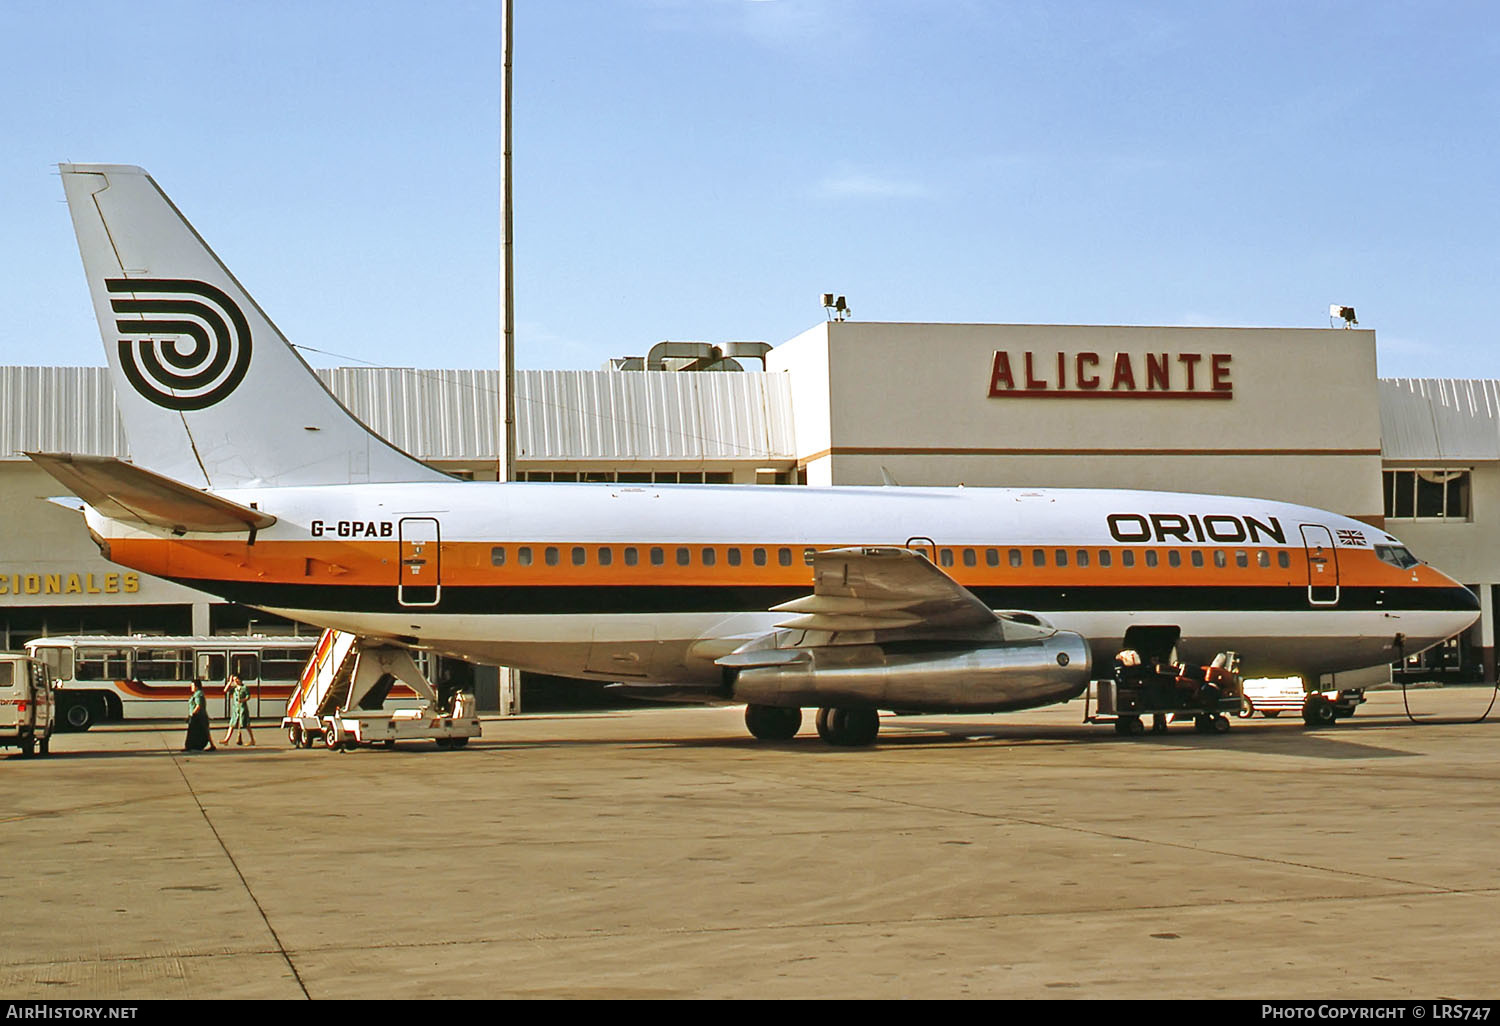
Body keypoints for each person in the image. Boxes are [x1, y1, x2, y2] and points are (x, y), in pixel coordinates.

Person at [221, 674, 256, 746]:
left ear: (240, 679)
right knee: (232, 724)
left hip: (242, 709)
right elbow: (225, 690)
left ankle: (252, 740)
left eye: (236, 679)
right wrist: (229, 682)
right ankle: (226, 739)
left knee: (246, 725)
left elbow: (248, 696)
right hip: (235, 709)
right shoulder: (234, 688)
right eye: (234, 680)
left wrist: (243, 700)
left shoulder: (244, 688)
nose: (235, 681)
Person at [184, 679, 216, 752]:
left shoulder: (198, 694)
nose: (191, 687)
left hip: (198, 716)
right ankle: (211, 745)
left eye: (192, 686)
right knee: (205, 731)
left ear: (196, 687)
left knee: (193, 731)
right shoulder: (197, 693)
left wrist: (191, 715)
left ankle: (189, 746)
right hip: (199, 716)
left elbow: (198, 706)